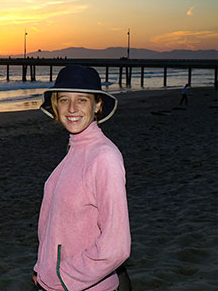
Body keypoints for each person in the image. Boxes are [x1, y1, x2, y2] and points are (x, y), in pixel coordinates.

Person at [33, 65, 131, 291]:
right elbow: (54, 224)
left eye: (82, 100)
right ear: (55, 104)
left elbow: (117, 247)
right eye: (64, 99)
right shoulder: (75, 149)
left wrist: (61, 276)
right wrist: (41, 268)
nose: (72, 108)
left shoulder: (104, 156)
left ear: (97, 105)